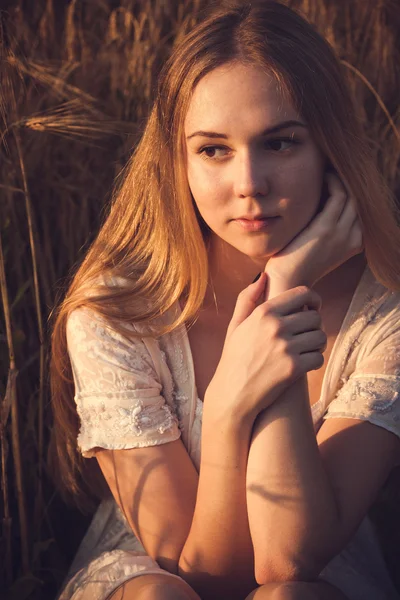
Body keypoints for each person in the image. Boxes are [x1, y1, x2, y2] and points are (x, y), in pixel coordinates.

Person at [51, 1, 400, 599]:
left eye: (281, 144)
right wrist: (230, 407)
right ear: (177, 161)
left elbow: (289, 560)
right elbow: (203, 573)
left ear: (330, 150)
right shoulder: (117, 314)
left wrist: (284, 290)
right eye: (214, 149)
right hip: (148, 575)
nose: (249, 184)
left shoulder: (385, 314)